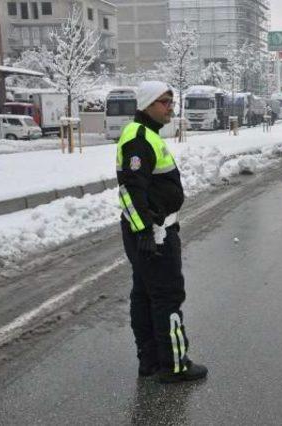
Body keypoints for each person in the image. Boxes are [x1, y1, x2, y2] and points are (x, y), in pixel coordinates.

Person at [116, 81, 208, 383]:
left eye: (171, 101)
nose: (170, 107)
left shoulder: (145, 136)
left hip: (149, 230)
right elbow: (130, 189)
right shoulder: (139, 139)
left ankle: (151, 361)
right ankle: (175, 364)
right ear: (146, 105)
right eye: (164, 102)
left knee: (145, 294)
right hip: (154, 233)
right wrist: (145, 231)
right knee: (167, 296)